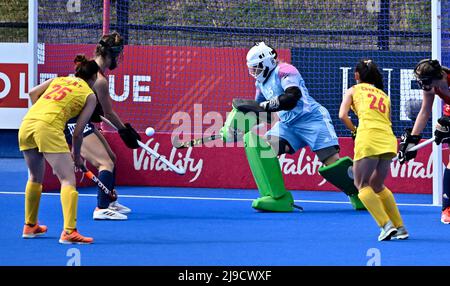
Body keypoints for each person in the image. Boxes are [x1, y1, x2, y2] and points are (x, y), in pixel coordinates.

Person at [220, 42, 365, 212]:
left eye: (256, 68)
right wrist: (238, 127)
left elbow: (291, 98)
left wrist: (263, 107)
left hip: (312, 120)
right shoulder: (260, 84)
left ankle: (363, 192)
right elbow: (262, 111)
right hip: (288, 125)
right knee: (262, 148)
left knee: (332, 165)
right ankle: (278, 197)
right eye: (251, 69)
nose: (253, 73)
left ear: (267, 63)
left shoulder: (285, 70)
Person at [19, 55, 99, 244]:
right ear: (94, 78)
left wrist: (42, 115)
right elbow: (78, 133)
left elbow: (32, 93)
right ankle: (70, 231)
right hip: (48, 127)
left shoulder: (60, 79)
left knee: (34, 177)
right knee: (68, 179)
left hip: (27, 123)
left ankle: (30, 226)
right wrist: (77, 156)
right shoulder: (90, 95)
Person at [64, 31, 141, 220]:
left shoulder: (88, 68)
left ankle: (110, 199)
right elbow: (109, 113)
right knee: (104, 162)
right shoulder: (100, 81)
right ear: (110, 55)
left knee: (112, 158)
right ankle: (101, 208)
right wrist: (125, 130)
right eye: (118, 54)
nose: (118, 59)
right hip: (72, 123)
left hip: (80, 119)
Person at [339, 59, 408, 241]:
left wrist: (354, 131)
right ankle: (400, 228)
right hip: (387, 139)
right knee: (377, 185)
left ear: (356, 76)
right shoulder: (383, 95)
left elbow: (342, 115)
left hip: (368, 137)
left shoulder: (353, 90)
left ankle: (385, 226)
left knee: (361, 185)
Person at [398, 59, 450, 224]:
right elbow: (425, 111)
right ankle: (447, 208)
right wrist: (413, 141)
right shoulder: (432, 86)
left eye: (425, 81)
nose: (423, 85)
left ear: (440, 76)